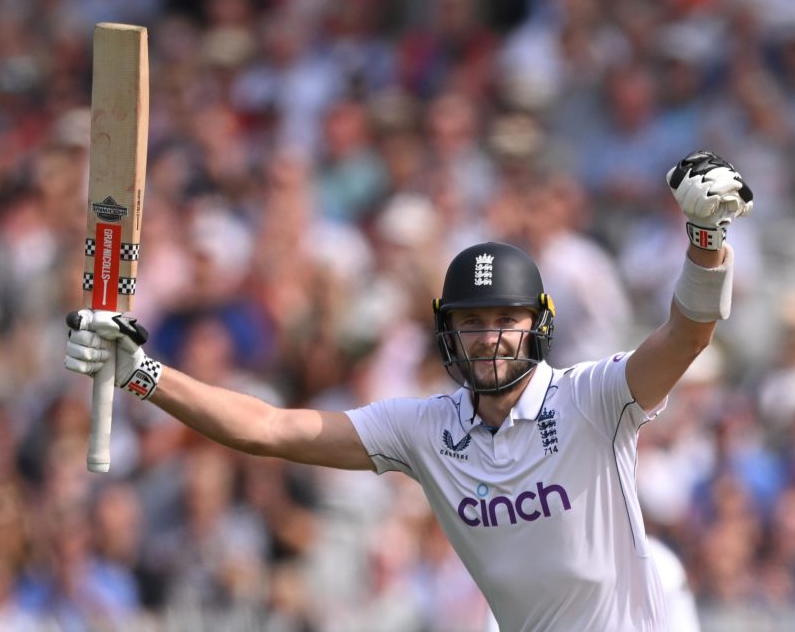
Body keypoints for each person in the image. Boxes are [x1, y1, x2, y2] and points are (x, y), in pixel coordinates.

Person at [64, 151, 752, 631]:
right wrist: (143, 373)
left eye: (504, 322)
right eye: (472, 323)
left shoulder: (593, 400)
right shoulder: (427, 430)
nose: (489, 339)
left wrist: (705, 241)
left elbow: (687, 336)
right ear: (447, 335)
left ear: (536, 326)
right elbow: (266, 429)